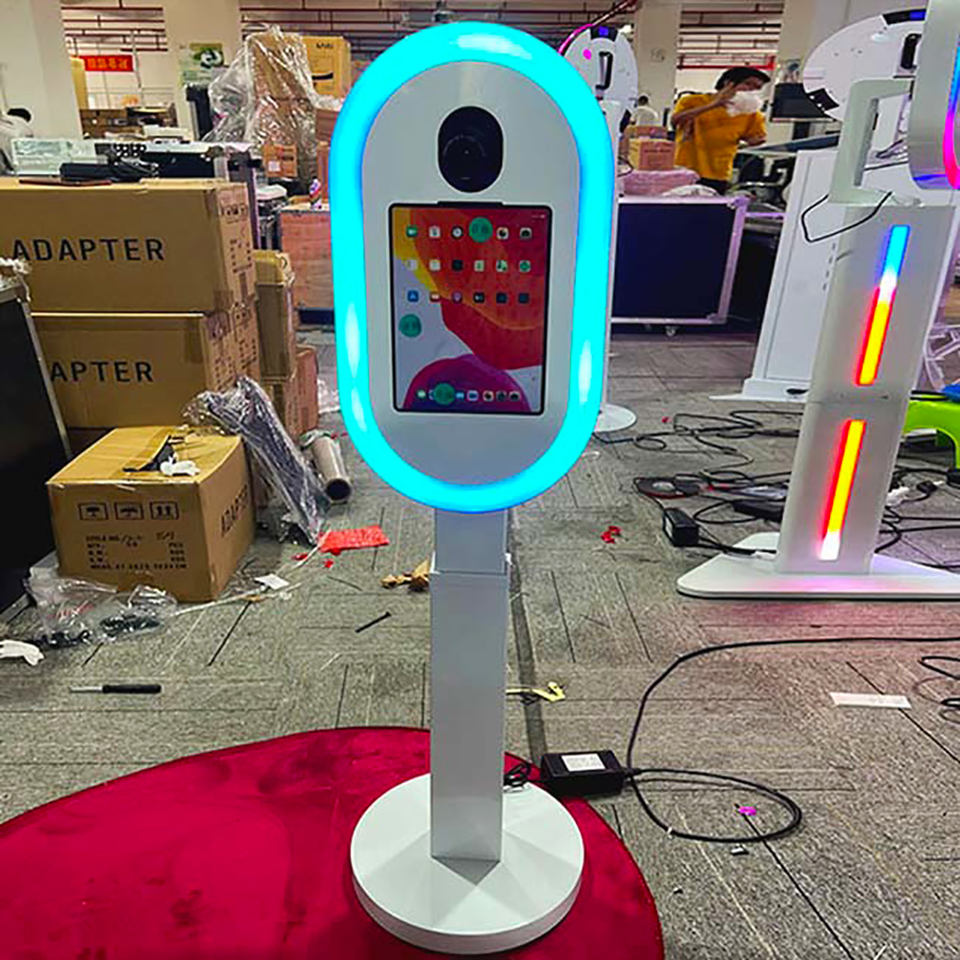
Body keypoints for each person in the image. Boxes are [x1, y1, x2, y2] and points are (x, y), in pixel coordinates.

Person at [671, 67, 769, 194]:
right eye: (748, 84)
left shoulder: (751, 114)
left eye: (757, 88)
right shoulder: (692, 101)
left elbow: (754, 138)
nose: (752, 90)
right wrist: (715, 104)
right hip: (685, 167)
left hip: (718, 171)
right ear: (728, 83)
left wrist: (755, 141)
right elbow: (676, 121)